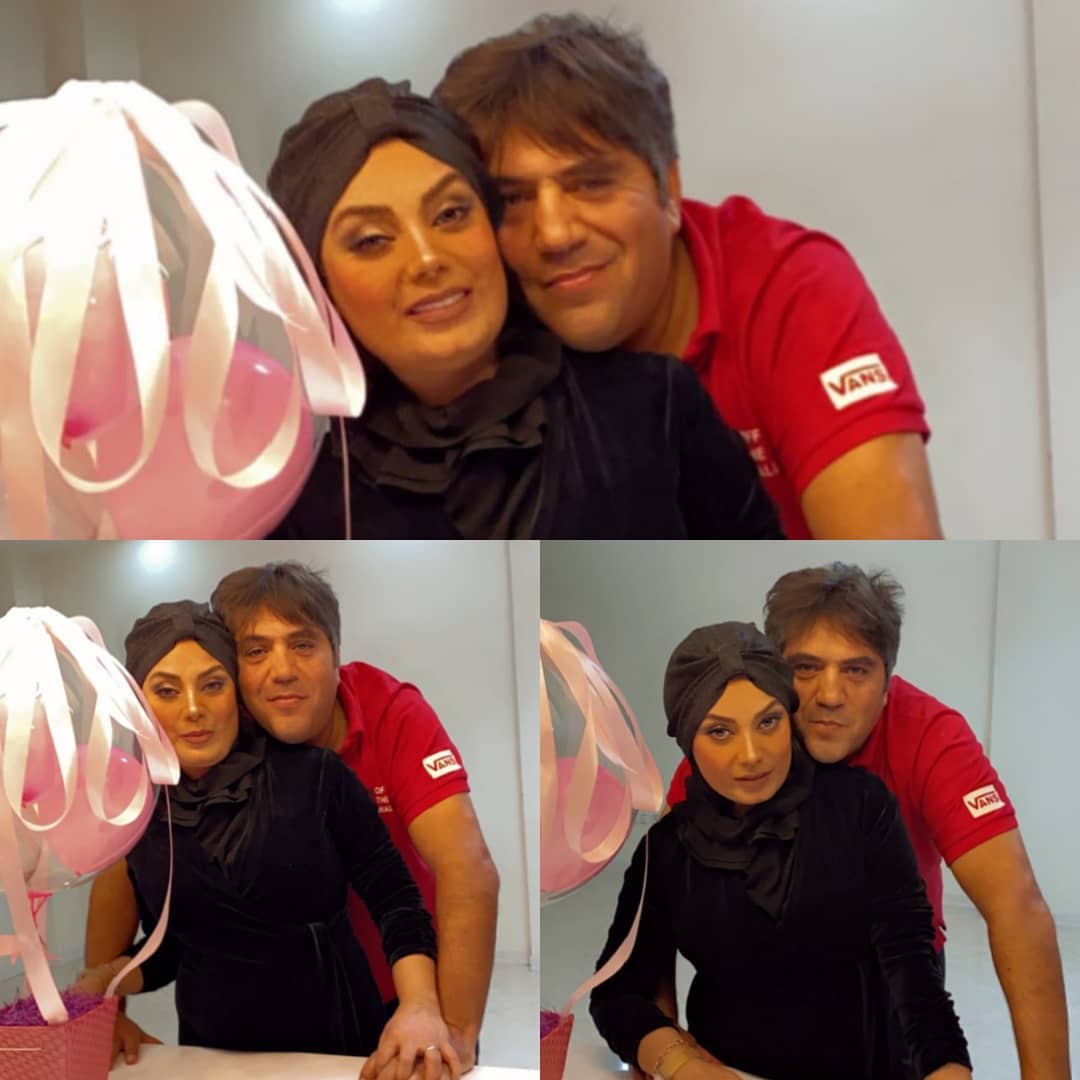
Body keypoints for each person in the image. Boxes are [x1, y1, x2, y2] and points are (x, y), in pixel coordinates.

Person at [434, 14, 943, 540]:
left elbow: (892, 560)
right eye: (513, 199)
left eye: (590, 184)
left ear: (670, 190)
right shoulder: (487, 326)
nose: (555, 234)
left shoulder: (789, 287)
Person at [263, 77, 782, 539]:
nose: (426, 259)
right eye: (372, 240)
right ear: (319, 285)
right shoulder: (311, 508)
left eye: (451, 214)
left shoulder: (654, 405)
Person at [85, 562, 499, 1074]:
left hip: (385, 991)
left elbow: (465, 870)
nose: (282, 670)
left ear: (336, 653)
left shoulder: (385, 718)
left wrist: (451, 1027)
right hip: (225, 1041)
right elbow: (130, 881)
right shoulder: (190, 762)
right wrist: (101, 1012)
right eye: (256, 651)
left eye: (302, 644)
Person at [665, 564, 1071, 1079]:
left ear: (886, 683)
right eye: (806, 667)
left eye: (856, 670)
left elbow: (1017, 906)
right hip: (757, 979)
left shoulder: (931, 736)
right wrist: (664, 1045)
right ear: (773, 671)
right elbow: (656, 904)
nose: (830, 695)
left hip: (892, 979)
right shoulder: (736, 741)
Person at [589, 621, 971, 1079]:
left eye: (768, 722)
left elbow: (912, 964)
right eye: (720, 732)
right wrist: (678, 1062)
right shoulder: (667, 851)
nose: (752, 754)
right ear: (689, 740)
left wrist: (947, 1065)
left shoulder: (860, 807)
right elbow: (617, 992)